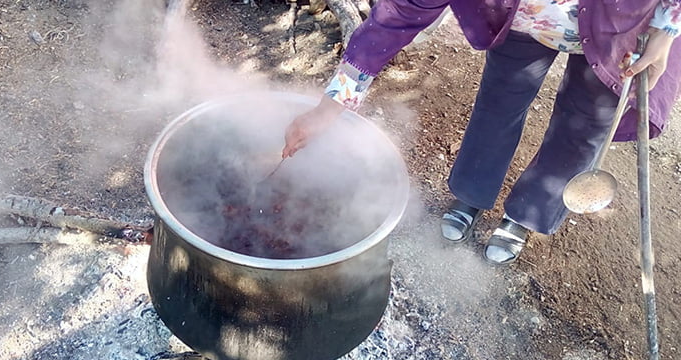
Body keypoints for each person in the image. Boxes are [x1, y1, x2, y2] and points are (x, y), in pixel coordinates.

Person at [281, 0, 681, 265]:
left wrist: (666, 29)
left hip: (624, 28)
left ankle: (526, 215)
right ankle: (471, 195)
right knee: (499, 101)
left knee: (585, 126)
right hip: (521, 18)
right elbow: (398, 15)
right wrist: (329, 107)